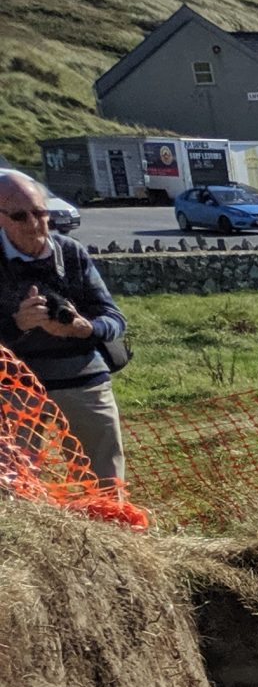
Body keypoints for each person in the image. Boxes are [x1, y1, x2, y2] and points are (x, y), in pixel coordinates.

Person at [0, 168, 129, 484]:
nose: (34, 223)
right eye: (20, 216)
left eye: (41, 212)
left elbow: (114, 320)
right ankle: (32, 533)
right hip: (16, 384)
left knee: (105, 477)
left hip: (83, 376)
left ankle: (110, 529)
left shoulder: (71, 252)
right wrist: (17, 324)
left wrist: (85, 328)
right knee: (17, 481)